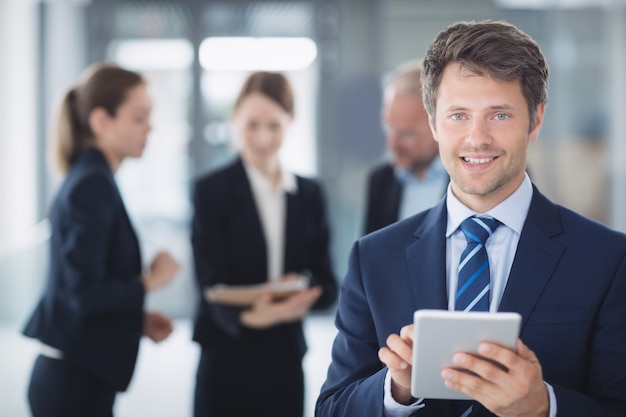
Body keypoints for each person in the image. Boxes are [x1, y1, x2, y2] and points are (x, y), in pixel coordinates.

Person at [316, 20, 626, 417]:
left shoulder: (607, 259)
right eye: (458, 115)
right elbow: (330, 409)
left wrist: (543, 406)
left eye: (499, 116)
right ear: (433, 123)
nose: (477, 138)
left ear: (536, 120)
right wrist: (396, 390)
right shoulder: (373, 259)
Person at [22, 63, 180, 417]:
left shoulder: (95, 179)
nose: (149, 127)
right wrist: (153, 280)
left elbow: (83, 290)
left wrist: (133, 321)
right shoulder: (92, 185)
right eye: (139, 117)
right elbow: (84, 292)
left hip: (80, 378)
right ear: (100, 121)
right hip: (71, 385)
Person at [191, 71, 338, 417]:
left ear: (290, 122)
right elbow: (208, 283)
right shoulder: (211, 190)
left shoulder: (309, 194)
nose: (263, 137)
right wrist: (255, 315)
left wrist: (300, 293)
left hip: (284, 357)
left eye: (274, 125)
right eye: (252, 124)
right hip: (225, 355)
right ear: (235, 120)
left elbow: (327, 283)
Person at [364, 60, 447, 235]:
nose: (393, 144)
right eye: (389, 127)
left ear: (439, 125)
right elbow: (371, 257)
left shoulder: (469, 180)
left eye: (407, 135)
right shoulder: (381, 182)